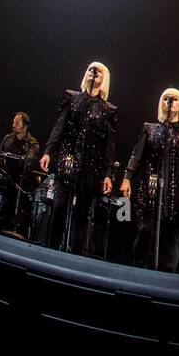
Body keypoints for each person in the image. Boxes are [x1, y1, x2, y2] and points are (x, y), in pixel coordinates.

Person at [121, 88, 179, 272]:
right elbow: (136, 156)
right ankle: (138, 270)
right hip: (150, 192)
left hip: (177, 196)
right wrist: (127, 178)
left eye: (174, 99)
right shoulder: (150, 129)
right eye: (165, 98)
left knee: (172, 239)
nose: (169, 101)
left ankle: (167, 277)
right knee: (144, 233)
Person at [40, 63, 117, 254]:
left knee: (81, 215)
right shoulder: (72, 98)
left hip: (91, 167)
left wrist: (108, 174)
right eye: (91, 69)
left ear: (104, 77)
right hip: (67, 160)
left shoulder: (108, 109)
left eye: (98, 70)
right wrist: (48, 151)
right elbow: (59, 127)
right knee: (59, 207)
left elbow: (108, 145)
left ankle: (74, 257)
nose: (93, 71)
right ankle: (50, 251)